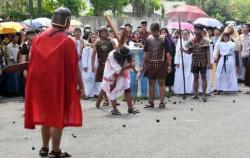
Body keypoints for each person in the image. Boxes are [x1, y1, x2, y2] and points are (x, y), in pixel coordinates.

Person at [24, 7, 84, 158]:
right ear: (67, 20)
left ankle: (44, 147)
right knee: (57, 117)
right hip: (57, 84)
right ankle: (55, 151)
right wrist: (81, 85)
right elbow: (74, 65)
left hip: (39, 84)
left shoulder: (37, 38)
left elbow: (31, 60)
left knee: (45, 115)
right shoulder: (67, 41)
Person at [102, 46, 140, 115]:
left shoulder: (127, 52)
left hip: (123, 72)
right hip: (111, 73)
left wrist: (135, 67)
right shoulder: (111, 55)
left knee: (127, 88)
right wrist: (129, 66)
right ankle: (114, 109)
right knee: (112, 89)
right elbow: (117, 69)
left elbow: (132, 61)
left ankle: (130, 108)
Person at [143, 23, 172, 108]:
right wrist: (143, 65)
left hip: (161, 64)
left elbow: (168, 53)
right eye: (152, 32)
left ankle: (162, 102)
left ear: (159, 30)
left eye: (155, 32)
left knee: (161, 83)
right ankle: (151, 102)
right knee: (151, 83)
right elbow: (145, 53)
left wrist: (169, 65)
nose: (154, 34)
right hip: (150, 64)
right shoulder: (148, 39)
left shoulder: (164, 39)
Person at [184, 24, 211, 102]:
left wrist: (208, 63)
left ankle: (204, 94)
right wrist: (183, 50)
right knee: (195, 77)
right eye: (195, 29)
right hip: (194, 62)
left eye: (198, 29)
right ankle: (195, 94)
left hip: (203, 62)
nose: (196, 31)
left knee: (203, 77)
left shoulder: (205, 41)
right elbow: (189, 52)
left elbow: (208, 53)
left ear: (202, 31)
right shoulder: (192, 41)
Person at [92, 26, 116, 108]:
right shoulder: (96, 43)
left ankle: (112, 98)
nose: (104, 34)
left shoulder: (112, 42)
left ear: (107, 33)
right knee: (103, 82)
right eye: (102, 32)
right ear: (99, 33)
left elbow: (116, 53)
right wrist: (92, 65)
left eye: (105, 32)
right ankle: (106, 99)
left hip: (110, 65)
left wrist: (116, 64)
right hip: (101, 64)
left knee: (112, 82)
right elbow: (93, 54)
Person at [173, 29, 193, 94]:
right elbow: (177, 52)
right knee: (180, 75)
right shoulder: (179, 42)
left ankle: (188, 90)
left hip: (189, 60)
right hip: (181, 61)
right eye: (183, 34)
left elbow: (191, 52)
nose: (185, 35)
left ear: (189, 34)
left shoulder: (191, 42)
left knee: (189, 76)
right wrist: (177, 62)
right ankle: (180, 90)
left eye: (186, 33)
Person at [81, 33, 100, 98]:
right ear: (90, 38)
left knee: (97, 79)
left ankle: (96, 93)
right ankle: (86, 93)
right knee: (89, 78)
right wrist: (85, 66)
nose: (94, 38)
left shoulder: (99, 46)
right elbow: (84, 57)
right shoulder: (87, 47)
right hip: (89, 65)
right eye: (92, 37)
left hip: (97, 64)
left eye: (95, 37)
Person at [160, 27, 176, 94]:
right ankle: (164, 86)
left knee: (170, 72)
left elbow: (172, 51)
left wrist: (170, 58)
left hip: (169, 59)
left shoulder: (171, 41)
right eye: (162, 32)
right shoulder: (158, 40)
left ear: (167, 33)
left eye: (164, 32)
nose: (163, 33)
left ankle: (170, 86)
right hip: (161, 59)